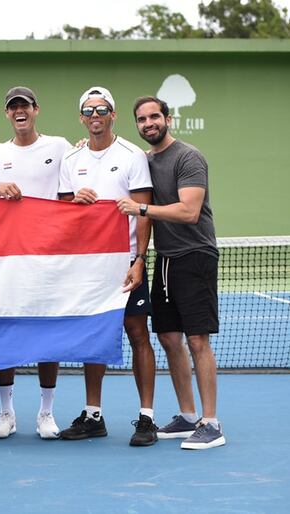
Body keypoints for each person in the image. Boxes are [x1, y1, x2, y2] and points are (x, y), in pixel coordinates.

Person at [117, 96, 225, 450]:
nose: (148, 123)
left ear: (167, 119)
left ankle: (211, 422)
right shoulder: (144, 161)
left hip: (194, 256)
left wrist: (142, 207)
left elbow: (190, 210)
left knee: (197, 340)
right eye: (142, 119)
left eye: (154, 117)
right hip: (164, 260)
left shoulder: (188, 157)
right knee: (168, 338)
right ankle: (188, 415)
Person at [58, 86, 157, 446]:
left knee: (137, 334)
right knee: (94, 338)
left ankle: (146, 419)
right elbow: (63, 215)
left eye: (101, 110)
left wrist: (140, 260)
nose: (95, 115)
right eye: (88, 111)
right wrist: (75, 204)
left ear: (112, 115)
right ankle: (93, 415)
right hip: (89, 265)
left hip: (126, 262)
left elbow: (143, 212)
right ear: (81, 118)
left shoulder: (132, 156)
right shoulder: (71, 160)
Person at [0, 86, 72, 439]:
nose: (19, 111)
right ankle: (6, 413)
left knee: (47, 334)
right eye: (13, 107)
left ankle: (46, 413)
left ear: (35, 110)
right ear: (7, 114)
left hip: (47, 256)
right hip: (8, 257)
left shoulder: (60, 147)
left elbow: (68, 194)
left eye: (25, 106)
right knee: (6, 331)